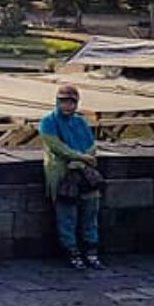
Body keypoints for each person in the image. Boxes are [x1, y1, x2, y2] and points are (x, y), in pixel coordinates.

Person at [38, 84, 102, 269]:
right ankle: (71, 251)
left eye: (71, 102)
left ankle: (91, 250)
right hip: (62, 174)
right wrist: (80, 157)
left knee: (90, 212)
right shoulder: (48, 122)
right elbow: (57, 147)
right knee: (67, 215)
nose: (68, 106)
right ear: (57, 102)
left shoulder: (80, 121)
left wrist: (82, 161)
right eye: (64, 102)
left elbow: (91, 144)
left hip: (85, 173)